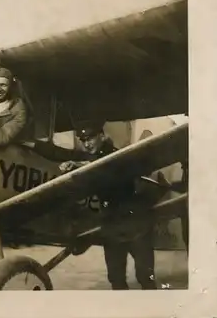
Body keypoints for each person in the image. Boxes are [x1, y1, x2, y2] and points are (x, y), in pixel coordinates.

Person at [61, 124, 157, 290]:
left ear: (102, 136)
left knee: (146, 277)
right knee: (116, 279)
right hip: (112, 225)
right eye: (83, 140)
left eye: (90, 138)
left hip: (135, 223)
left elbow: (107, 171)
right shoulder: (91, 160)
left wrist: (82, 168)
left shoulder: (117, 156)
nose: (87, 144)